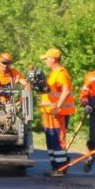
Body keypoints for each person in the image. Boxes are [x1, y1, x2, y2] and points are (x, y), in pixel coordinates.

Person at [39, 48, 75, 176]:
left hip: (57, 113)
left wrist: (57, 107)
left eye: (47, 59)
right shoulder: (54, 73)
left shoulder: (60, 73)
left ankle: (60, 168)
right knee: (51, 139)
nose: (46, 61)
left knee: (58, 140)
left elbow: (65, 91)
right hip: (50, 113)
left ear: (53, 59)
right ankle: (57, 167)